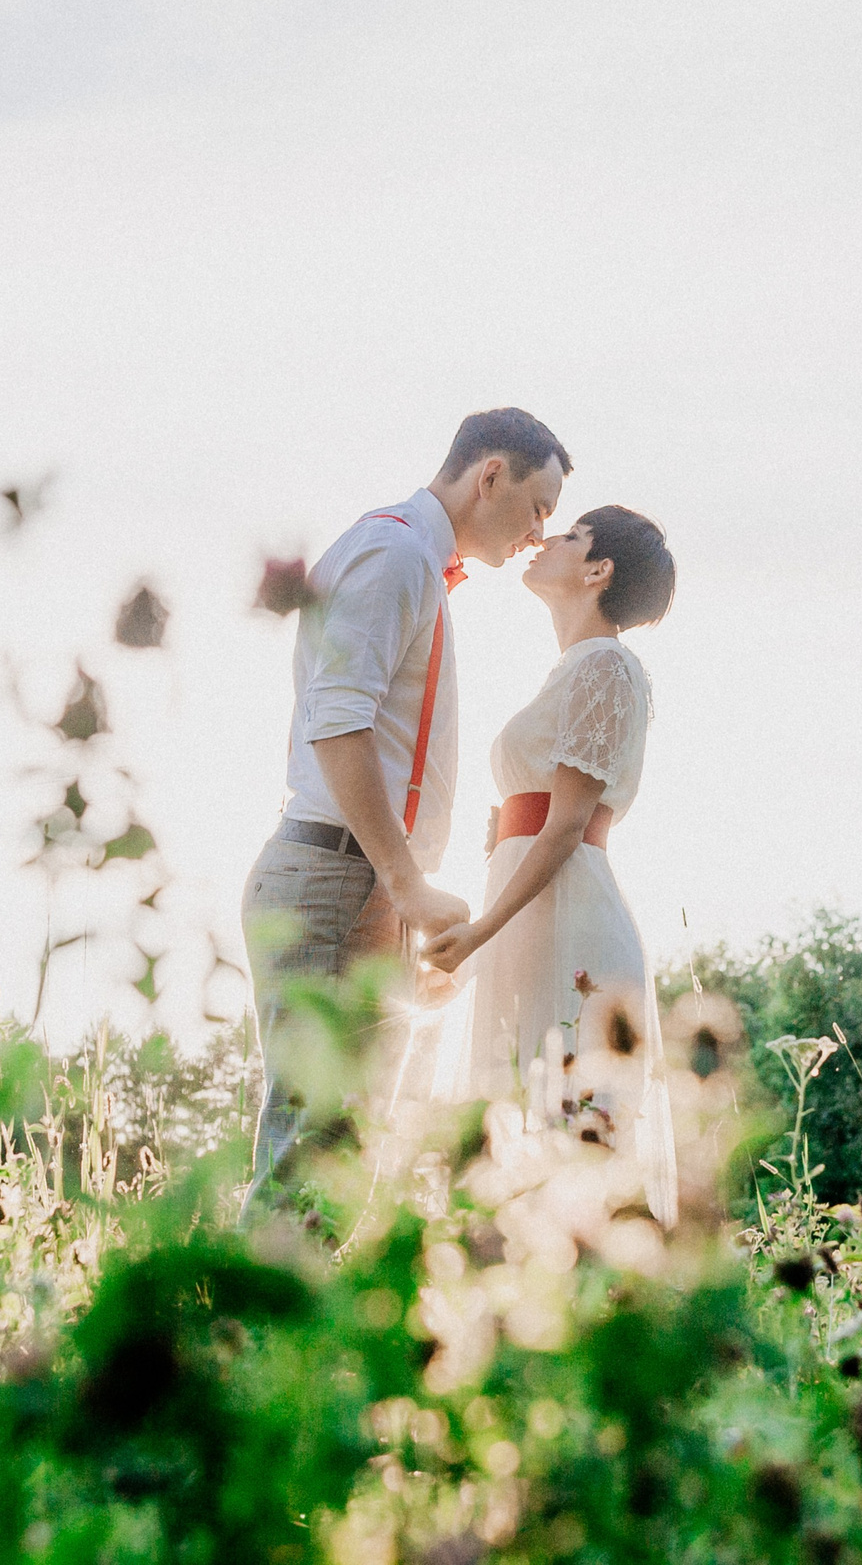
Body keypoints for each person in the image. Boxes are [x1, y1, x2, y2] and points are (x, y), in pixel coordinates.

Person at [243, 407, 571, 1205]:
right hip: (337, 878)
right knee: (312, 1163)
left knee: (341, 1161)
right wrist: (406, 887)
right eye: (537, 508)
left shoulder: (414, 559)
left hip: (357, 885)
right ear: (489, 475)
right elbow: (338, 722)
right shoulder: (393, 554)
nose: (538, 534)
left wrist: (399, 915)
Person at [419, 504, 677, 1220]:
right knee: (515, 1115)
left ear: (598, 570)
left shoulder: (605, 666)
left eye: (570, 535)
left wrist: (478, 935)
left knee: (567, 1125)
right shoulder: (574, 670)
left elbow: (564, 826)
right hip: (531, 911)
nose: (546, 539)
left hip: (568, 916)